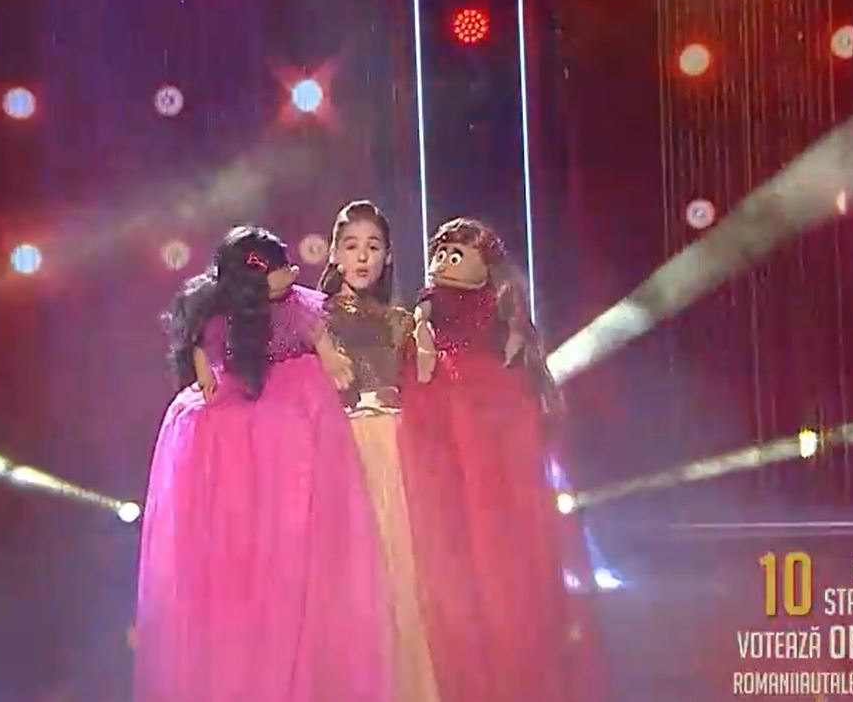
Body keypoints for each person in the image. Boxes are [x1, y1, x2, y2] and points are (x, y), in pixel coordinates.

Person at [134, 226, 391, 702]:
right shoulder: (220, 311)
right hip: (243, 400)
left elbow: (319, 336)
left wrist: (332, 359)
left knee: (292, 475)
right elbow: (198, 342)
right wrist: (203, 368)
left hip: (294, 397)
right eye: (278, 268)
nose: (290, 273)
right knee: (219, 440)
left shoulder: (298, 305)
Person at [399, 217, 591, 702]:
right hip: (444, 401)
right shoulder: (429, 301)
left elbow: (517, 338)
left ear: (487, 263)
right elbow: (420, 329)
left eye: (457, 254)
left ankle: (511, 624)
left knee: (498, 512)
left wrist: (517, 344)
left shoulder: (500, 303)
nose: (444, 261)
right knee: (451, 512)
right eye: (440, 252)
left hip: (490, 404)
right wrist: (423, 342)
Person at [317, 201, 439, 702]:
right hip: (340, 452)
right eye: (351, 246)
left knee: (400, 578)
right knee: (349, 580)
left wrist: (426, 334)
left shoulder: (400, 322)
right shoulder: (314, 319)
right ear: (334, 254)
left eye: (373, 246)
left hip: (396, 452)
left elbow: (426, 384)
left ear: (388, 255)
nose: (362, 257)